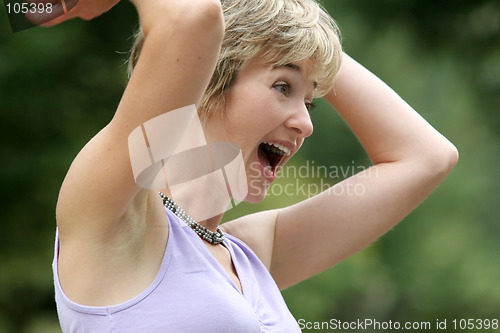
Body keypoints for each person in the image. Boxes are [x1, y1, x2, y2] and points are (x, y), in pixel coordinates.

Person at [46, 0, 458, 331]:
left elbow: (426, 158)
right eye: (283, 87)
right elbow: (193, 18)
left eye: (310, 99)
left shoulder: (252, 253)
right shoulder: (120, 220)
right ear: (207, 81)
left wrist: (301, 33)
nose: (307, 123)